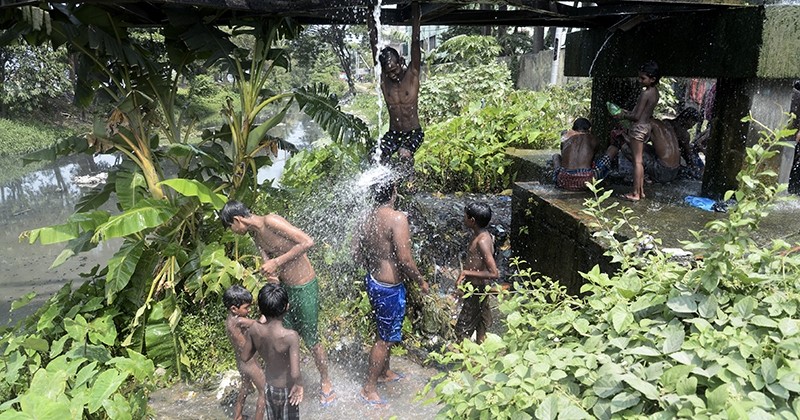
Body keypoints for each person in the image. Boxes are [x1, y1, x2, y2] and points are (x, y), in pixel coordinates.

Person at [220, 200, 336, 407]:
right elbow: (269, 265)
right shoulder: (255, 235)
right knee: (281, 335)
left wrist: (277, 262)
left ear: (237, 220)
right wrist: (271, 276)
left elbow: (308, 242)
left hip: (304, 286)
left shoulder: (270, 221)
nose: (233, 231)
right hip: (284, 290)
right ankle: (293, 380)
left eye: (231, 227)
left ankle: (326, 381)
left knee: (311, 338)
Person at [353, 179, 430, 406]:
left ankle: (385, 372)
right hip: (390, 287)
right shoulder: (397, 218)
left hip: (374, 280)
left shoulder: (365, 217)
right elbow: (405, 259)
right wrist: (421, 280)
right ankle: (369, 387)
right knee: (384, 338)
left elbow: (356, 254)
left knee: (383, 328)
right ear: (393, 192)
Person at [368, 0, 423, 172]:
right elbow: (373, 42)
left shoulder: (412, 74)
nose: (392, 74)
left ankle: (409, 183)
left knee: (404, 154)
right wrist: (370, 11)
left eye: (394, 69)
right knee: (374, 156)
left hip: (413, 132)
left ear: (400, 61)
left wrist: (415, 7)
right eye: (388, 71)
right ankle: (390, 189)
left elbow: (415, 39)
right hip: (394, 134)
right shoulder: (385, 80)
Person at [241, 283, 303, 420]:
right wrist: (299, 384)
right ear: (287, 307)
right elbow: (295, 372)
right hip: (287, 390)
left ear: (260, 308)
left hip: (269, 388)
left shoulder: (254, 330)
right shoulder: (290, 336)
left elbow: (245, 356)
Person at [613, 60, 661, 201]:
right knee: (638, 161)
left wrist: (621, 114)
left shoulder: (645, 93)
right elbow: (644, 113)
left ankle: (635, 193)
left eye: (642, 78)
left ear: (652, 79)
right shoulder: (655, 93)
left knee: (637, 162)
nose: (639, 81)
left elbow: (635, 116)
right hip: (646, 127)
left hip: (638, 128)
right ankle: (641, 191)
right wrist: (627, 112)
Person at [453, 202, 499, 344]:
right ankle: (481, 359)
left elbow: (494, 273)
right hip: (479, 289)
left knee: (461, 331)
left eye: (465, 216)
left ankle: (463, 361)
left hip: (476, 290)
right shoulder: (482, 235)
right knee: (481, 325)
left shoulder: (482, 241)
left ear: (472, 221)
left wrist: (466, 272)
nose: (463, 218)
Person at [224, 285, 267, 420]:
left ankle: (238, 416)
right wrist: (266, 314)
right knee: (264, 392)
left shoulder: (230, 320)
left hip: (241, 362)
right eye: (246, 308)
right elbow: (258, 326)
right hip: (250, 364)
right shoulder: (239, 320)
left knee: (245, 387)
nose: (248, 310)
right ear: (234, 309)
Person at [552, 117, 619, 191]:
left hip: (563, 181)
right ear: (589, 129)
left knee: (556, 156)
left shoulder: (565, 138)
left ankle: (555, 180)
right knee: (612, 149)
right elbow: (595, 156)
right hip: (586, 181)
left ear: (573, 128)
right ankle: (605, 181)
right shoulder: (592, 138)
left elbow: (563, 154)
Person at [663, 107, 704, 179]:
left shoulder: (665, 123)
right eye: (693, 123)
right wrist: (695, 169)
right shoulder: (684, 134)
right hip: (669, 166)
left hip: (659, 157)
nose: (692, 127)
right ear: (689, 119)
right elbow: (688, 156)